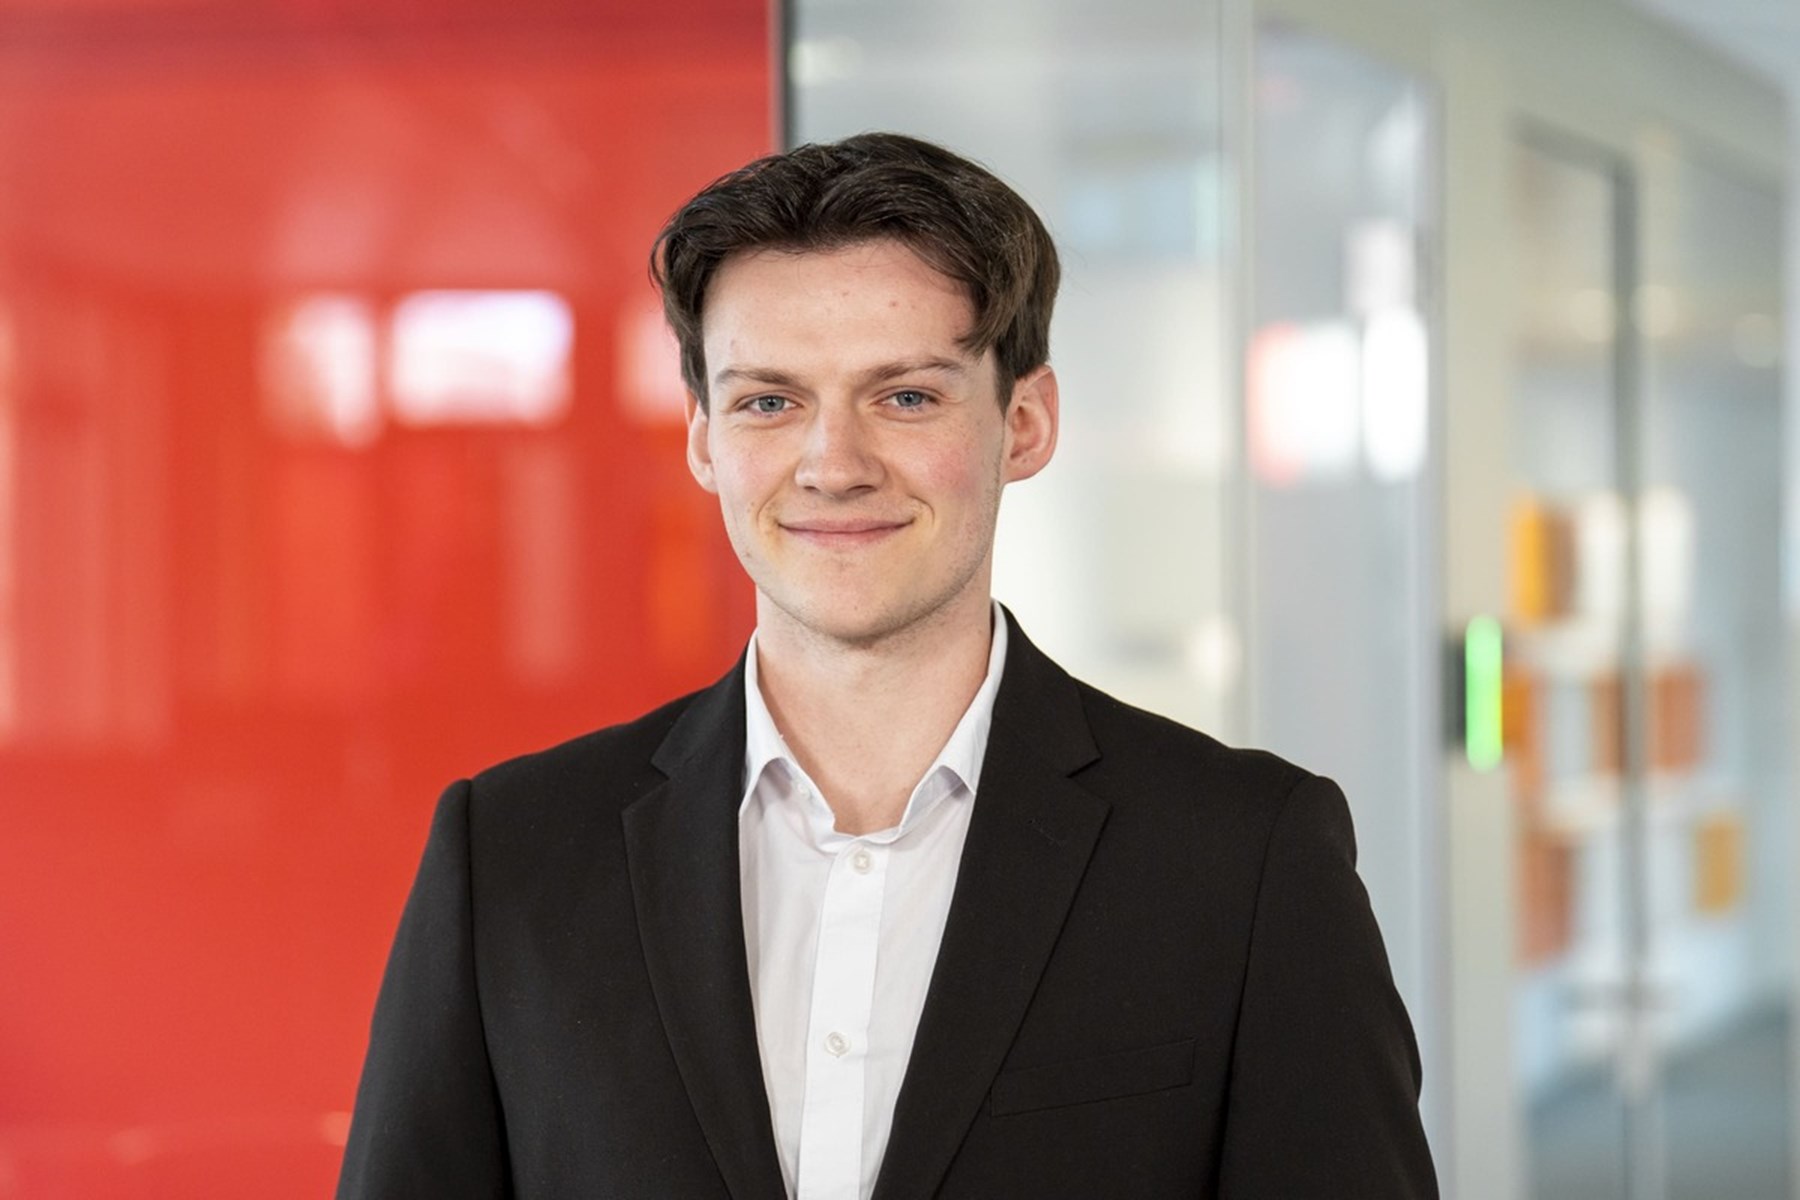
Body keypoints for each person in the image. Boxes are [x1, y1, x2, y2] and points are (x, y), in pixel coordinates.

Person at [336, 131, 1437, 1199]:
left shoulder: (1245, 860)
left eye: (906, 396)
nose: (834, 465)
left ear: (1025, 422)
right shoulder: (513, 856)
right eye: (770, 402)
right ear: (705, 440)